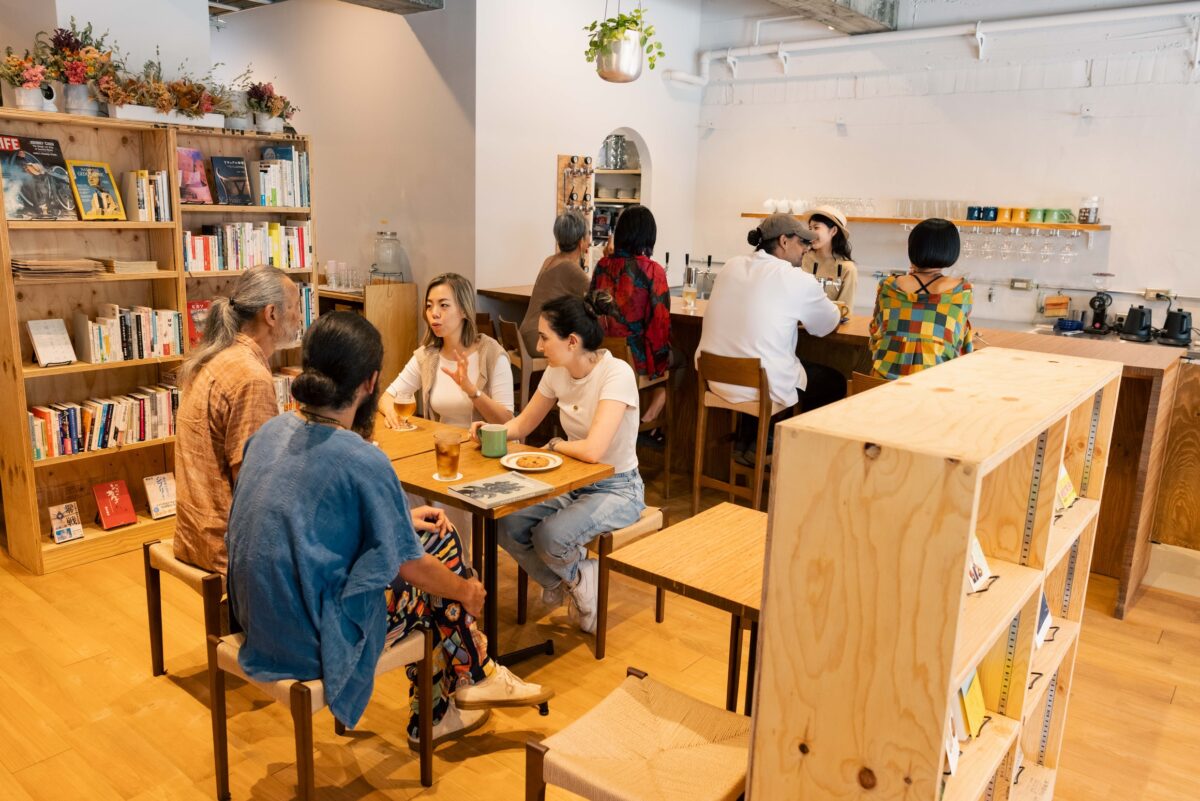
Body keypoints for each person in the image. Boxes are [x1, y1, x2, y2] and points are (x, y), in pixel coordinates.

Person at [226, 312, 552, 745]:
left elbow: (306, 522)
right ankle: (460, 688)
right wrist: (467, 591)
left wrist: (398, 521)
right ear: (370, 382)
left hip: (258, 618)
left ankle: (466, 685)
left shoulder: (271, 431)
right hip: (311, 641)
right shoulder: (361, 457)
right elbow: (411, 567)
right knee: (439, 579)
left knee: (434, 535)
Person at [478, 294, 644, 634]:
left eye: (544, 337)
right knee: (503, 523)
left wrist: (556, 445)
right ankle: (570, 579)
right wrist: (489, 431)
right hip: (573, 482)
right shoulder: (557, 371)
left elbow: (594, 450)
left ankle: (577, 577)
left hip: (619, 488)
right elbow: (523, 424)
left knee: (550, 536)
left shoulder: (617, 374)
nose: (539, 347)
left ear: (572, 341)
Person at [173, 267, 300, 573]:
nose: (300, 317)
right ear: (271, 314)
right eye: (295, 307)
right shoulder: (250, 376)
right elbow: (255, 484)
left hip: (194, 533)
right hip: (227, 545)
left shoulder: (219, 355)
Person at [698, 213, 841, 461]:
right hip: (759, 386)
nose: (807, 248)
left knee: (762, 362)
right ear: (784, 241)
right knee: (833, 382)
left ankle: (749, 442)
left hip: (716, 380)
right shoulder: (795, 278)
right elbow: (826, 324)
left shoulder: (731, 265)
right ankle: (779, 450)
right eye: (802, 242)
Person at [382, 273, 513, 430]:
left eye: (443, 305)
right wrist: (391, 414)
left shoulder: (492, 354)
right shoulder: (427, 356)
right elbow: (387, 397)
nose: (434, 313)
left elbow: (507, 422)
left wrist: (471, 390)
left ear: (464, 310)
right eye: (429, 306)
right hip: (443, 442)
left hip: (485, 444)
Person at [589, 204, 671, 423]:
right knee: (681, 361)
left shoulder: (602, 265)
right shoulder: (652, 270)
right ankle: (653, 414)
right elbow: (659, 324)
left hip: (602, 354)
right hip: (635, 358)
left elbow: (590, 308)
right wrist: (659, 367)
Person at [870, 218, 974, 379]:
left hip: (880, 384)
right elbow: (961, 342)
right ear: (952, 251)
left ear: (912, 248)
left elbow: (875, 331)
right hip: (934, 384)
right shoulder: (962, 291)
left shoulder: (888, 286)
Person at [520, 211, 591, 357]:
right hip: (539, 339)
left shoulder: (549, 260)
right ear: (581, 242)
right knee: (588, 351)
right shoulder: (571, 268)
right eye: (588, 234)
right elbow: (598, 296)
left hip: (525, 336)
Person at [800, 205, 858, 305]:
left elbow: (845, 309)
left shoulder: (848, 269)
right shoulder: (801, 259)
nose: (811, 233)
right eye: (810, 228)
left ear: (833, 231)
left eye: (816, 227)